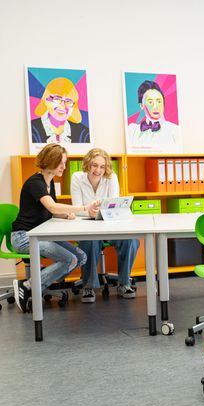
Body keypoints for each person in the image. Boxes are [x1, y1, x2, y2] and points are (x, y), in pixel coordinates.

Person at [11, 144, 100, 313]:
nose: (64, 167)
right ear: (51, 161)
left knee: (81, 256)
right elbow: (52, 207)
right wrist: (82, 208)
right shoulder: (35, 182)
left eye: (65, 163)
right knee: (71, 259)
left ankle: (37, 280)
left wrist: (64, 214)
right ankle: (28, 285)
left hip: (41, 234)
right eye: (61, 163)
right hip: (25, 237)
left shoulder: (49, 182)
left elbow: (48, 211)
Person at [70, 148, 139, 302]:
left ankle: (124, 283)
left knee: (131, 240)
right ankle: (88, 286)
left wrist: (98, 211)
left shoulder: (111, 177)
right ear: (88, 163)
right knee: (89, 241)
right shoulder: (77, 178)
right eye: (95, 165)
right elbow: (77, 207)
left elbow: (114, 205)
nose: (98, 170)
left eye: (102, 167)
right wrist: (89, 213)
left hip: (109, 223)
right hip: (87, 224)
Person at [31, 77, 90, 144]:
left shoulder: (83, 133)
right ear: (46, 100)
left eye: (68, 101)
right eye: (57, 99)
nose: (63, 105)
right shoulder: (32, 129)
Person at [128, 80, 180, 148]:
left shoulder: (175, 130)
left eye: (159, 101)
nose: (155, 107)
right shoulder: (132, 130)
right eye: (150, 102)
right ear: (141, 105)